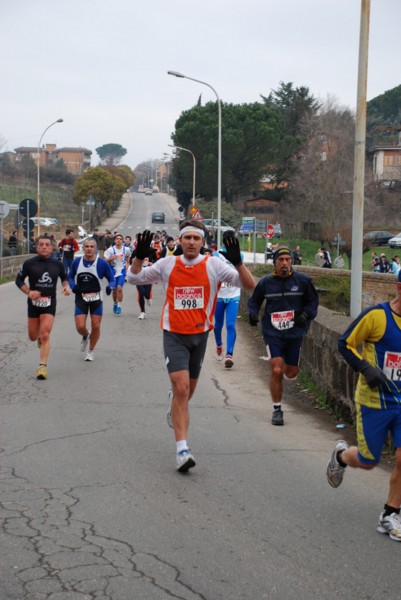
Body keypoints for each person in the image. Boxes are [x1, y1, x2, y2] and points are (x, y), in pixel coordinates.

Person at [127, 220, 255, 472]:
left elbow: (249, 285)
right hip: (174, 335)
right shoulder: (168, 263)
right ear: (181, 240)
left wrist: (238, 262)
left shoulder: (214, 265)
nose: (192, 243)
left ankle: (174, 406)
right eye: (187, 238)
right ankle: (182, 450)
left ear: (203, 242)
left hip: (200, 337)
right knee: (183, 390)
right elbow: (133, 278)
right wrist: (139, 258)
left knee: (185, 396)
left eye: (197, 239)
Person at [326, 270, 401, 541]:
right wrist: (366, 368)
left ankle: (390, 514)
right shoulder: (377, 316)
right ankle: (341, 457)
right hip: (375, 401)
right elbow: (345, 343)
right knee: (369, 461)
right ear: (399, 287)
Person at [248, 246, 319, 426]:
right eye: (281, 260)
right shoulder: (266, 282)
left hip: (295, 332)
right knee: (276, 368)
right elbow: (254, 301)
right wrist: (253, 313)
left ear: (292, 262)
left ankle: (287, 372)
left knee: (291, 372)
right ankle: (277, 409)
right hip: (272, 332)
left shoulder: (303, 281)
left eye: (287, 260)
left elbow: (313, 303)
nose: (284, 263)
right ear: (275, 263)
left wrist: (305, 315)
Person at [15, 235, 71, 380]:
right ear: (37, 247)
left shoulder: (57, 264)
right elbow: (18, 280)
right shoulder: (29, 263)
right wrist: (29, 292)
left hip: (49, 302)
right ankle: (38, 337)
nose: (44, 247)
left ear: (52, 248)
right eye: (41, 244)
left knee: (45, 334)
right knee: (33, 336)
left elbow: (64, 278)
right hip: (33, 304)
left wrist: (66, 287)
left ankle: (42, 366)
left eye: (47, 244)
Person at [68, 238, 115, 361]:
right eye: (86, 246)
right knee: (80, 326)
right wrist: (73, 287)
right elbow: (70, 276)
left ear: (95, 249)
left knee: (96, 325)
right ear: (83, 248)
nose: (89, 249)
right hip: (81, 297)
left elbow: (111, 278)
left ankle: (91, 351)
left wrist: (111, 286)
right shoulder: (76, 262)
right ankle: (85, 335)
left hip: (96, 298)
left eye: (91, 247)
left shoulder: (102, 263)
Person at [213, 230, 244, 368]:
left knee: (230, 325)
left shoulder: (240, 255)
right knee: (218, 326)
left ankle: (229, 355)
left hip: (233, 294)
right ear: (225, 241)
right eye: (229, 240)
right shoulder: (216, 255)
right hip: (219, 295)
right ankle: (219, 345)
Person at [104, 233, 131, 314]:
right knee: (114, 290)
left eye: (120, 239)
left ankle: (119, 305)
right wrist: (112, 258)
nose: (118, 240)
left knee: (119, 288)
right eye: (117, 239)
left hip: (122, 272)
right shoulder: (110, 250)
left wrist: (127, 264)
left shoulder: (126, 249)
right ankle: (115, 303)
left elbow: (128, 256)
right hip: (112, 272)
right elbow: (104, 261)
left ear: (122, 241)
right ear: (115, 241)